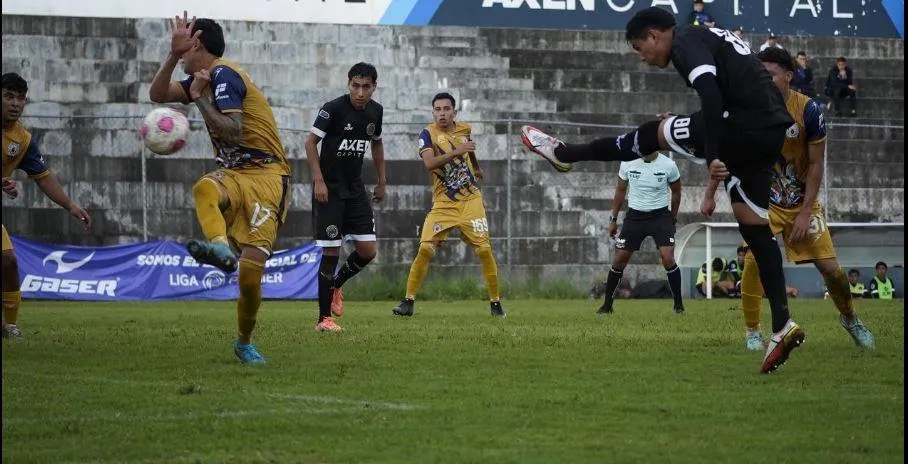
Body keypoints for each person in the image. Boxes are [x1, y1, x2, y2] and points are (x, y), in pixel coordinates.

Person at [520, 7, 802, 373]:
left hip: (741, 124)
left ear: (655, 35)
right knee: (754, 226)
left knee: (648, 135)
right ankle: (782, 325)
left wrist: (713, 155)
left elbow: (712, 96)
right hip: (770, 130)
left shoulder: (685, 40)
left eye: (640, 47)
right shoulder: (708, 37)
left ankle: (563, 153)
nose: (642, 57)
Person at [149, 12, 291, 363]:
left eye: (183, 47)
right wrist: (171, 56)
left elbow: (233, 131)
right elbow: (157, 94)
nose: (180, 54)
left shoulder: (223, 74)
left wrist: (197, 98)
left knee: (250, 276)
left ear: (196, 42)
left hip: (267, 177)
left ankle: (243, 341)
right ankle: (220, 249)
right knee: (204, 188)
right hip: (234, 174)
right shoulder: (201, 78)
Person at [721, 48, 873, 352]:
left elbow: (816, 165)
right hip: (766, 203)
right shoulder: (749, 108)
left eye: (771, 75)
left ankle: (850, 318)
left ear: (788, 76)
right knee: (753, 261)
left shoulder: (808, 111)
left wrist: (805, 213)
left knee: (832, 270)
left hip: (802, 203)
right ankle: (753, 331)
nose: (764, 80)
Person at [391, 93, 505, 318]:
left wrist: (477, 167)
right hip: (444, 202)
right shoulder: (427, 134)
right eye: (437, 109)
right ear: (433, 112)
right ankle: (408, 302)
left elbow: (469, 148)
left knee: (484, 249)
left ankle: (496, 304)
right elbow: (429, 163)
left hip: (471, 200)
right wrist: (457, 152)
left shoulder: (464, 128)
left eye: (446, 109)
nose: (441, 113)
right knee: (425, 248)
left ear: (454, 111)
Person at [2, 73, 92, 340]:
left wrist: (71, 205)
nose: (15, 103)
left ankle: (9, 325)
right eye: (9, 96)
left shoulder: (23, 140)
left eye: (20, 98)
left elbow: (43, 178)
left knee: (7, 262)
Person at [306, 62, 386, 332]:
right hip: (329, 190)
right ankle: (323, 319)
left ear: (374, 87)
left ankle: (337, 284)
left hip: (355, 189)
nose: (360, 92)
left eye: (366, 87)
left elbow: (376, 142)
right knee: (331, 251)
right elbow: (309, 143)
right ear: (348, 84)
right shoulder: (333, 108)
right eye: (355, 86)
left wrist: (382, 180)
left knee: (368, 251)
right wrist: (318, 180)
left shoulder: (376, 112)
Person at [597, 152, 684, 314]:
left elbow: (677, 192)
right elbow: (620, 191)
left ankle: (679, 306)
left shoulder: (669, 165)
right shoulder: (628, 162)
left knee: (668, 257)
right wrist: (613, 219)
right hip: (635, 216)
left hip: (660, 216)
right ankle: (607, 306)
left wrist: (673, 217)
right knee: (619, 259)